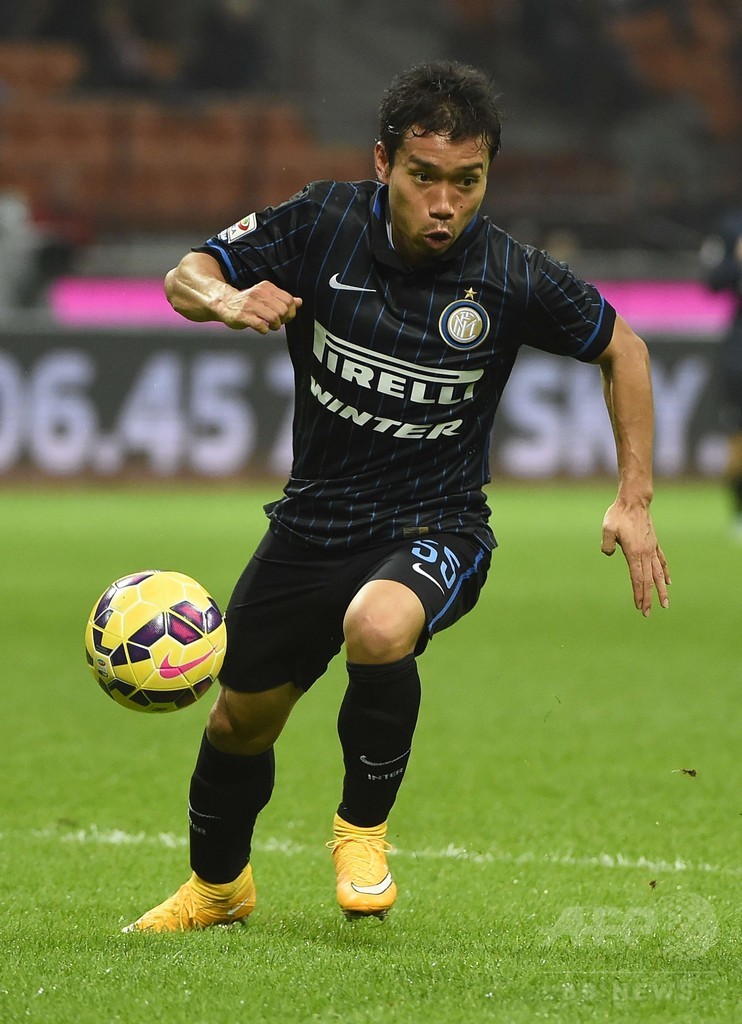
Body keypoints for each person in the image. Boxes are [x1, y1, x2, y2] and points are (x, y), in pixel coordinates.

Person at [124, 60, 670, 933]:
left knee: (378, 626)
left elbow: (625, 349)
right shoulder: (321, 221)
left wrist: (633, 499)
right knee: (237, 723)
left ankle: (361, 835)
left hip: (437, 525)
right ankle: (218, 890)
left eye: (468, 181)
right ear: (383, 162)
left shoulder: (511, 274)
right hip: (312, 524)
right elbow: (184, 273)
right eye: (424, 177)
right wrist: (225, 299)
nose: (445, 204)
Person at [701, 210, 742, 535]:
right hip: (739, 352)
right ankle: (739, 510)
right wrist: (738, 260)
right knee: (738, 436)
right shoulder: (732, 227)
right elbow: (712, 280)